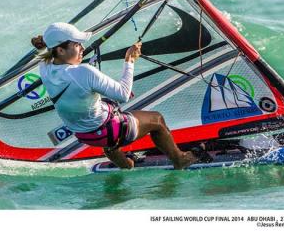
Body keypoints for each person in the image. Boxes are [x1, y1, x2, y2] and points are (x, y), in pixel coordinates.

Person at [31, 22, 201, 169]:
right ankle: (179, 159)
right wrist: (130, 60)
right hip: (109, 132)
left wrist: (47, 43)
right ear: (60, 50)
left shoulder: (45, 67)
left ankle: (125, 164)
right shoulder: (84, 72)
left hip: (84, 135)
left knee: (104, 116)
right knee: (156, 120)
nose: (82, 48)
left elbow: (48, 52)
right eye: (77, 45)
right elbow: (123, 94)